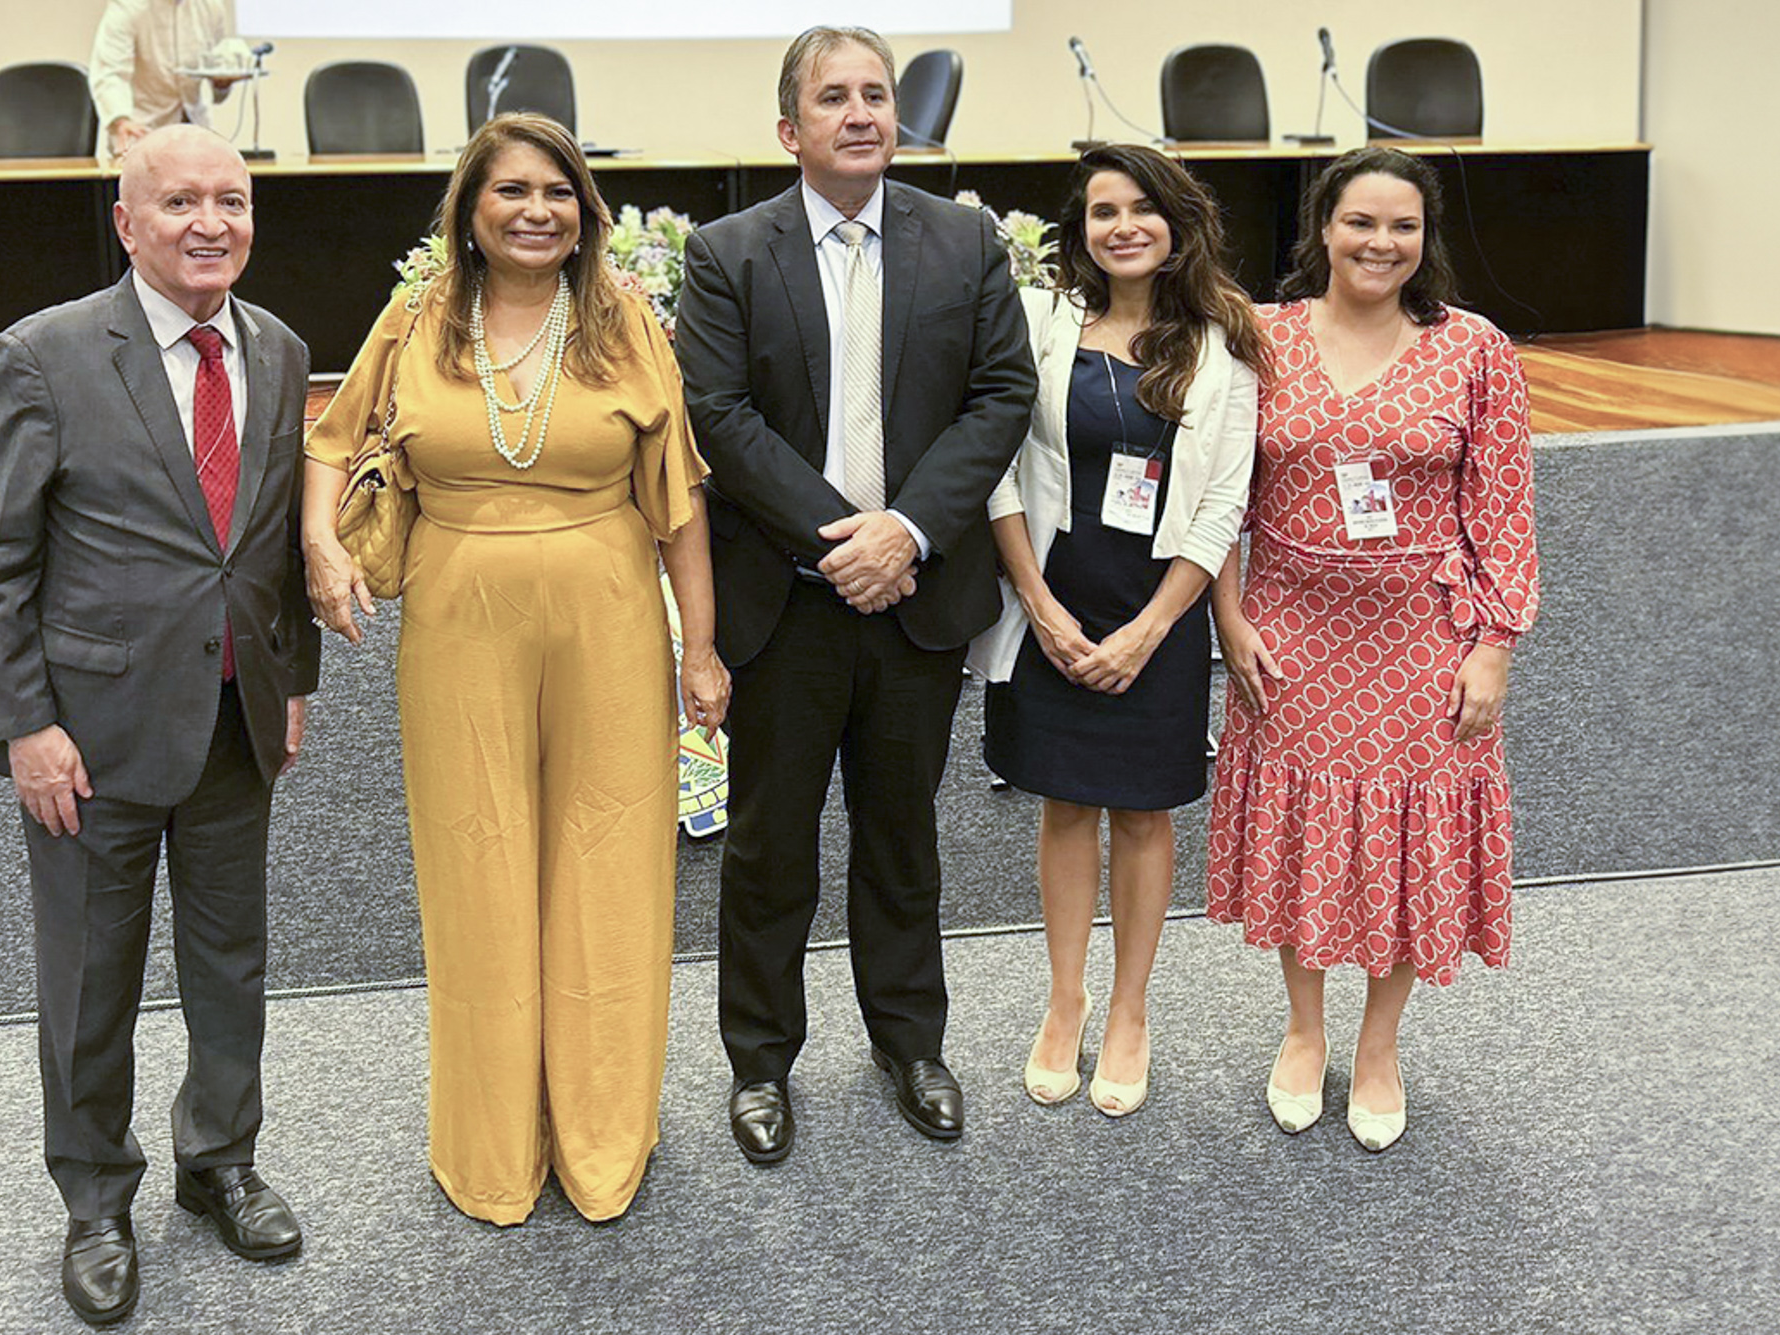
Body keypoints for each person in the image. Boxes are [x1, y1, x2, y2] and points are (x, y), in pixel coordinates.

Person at [301, 113, 726, 1225]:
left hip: (610, 619)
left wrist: (704, 648)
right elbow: (331, 442)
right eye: (511, 192)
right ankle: (492, 1141)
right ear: (470, 211)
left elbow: (677, 501)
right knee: (475, 874)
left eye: (558, 192)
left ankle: (599, 1136)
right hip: (456, 624)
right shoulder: (419, 316)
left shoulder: (625, 321)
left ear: (583, 211)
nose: (536, 210)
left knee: (610, 867)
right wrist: (316, 544)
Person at [0, 125, 316, 1324]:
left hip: (232, 718)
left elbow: (265, 546)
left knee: (232, 965)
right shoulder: (48, 354)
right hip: (89, 740)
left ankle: (220, 1161)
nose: (210, 223)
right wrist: (24, 727)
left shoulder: (276, 348)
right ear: (125, 222)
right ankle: (96, 1197)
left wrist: (292, 674)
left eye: (232, 200)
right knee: (91, 980)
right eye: (179, 203)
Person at [676, 25, 1036, 1164]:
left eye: (875, 94)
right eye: (833, 97)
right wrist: (849, 540)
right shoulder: (727, 253)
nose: (861, 113)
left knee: (901, 841)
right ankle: (759, 1064)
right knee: (768, 849)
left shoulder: (965, 241)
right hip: (785, 604)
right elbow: (719, 418)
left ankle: (909, 1045)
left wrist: (909, 532)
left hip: (917, 599)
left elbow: (999, 395)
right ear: (791, 129)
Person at [1206, 146, 1539, 1152]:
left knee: (1409, 841)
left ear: (1423, 238)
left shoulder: (1471, 349)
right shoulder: (1258, 339)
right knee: (1304, 830)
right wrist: (1226, 617)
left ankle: (1380, 1042)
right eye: (1359, 222)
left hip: (1421, 641)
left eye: (1402, 226)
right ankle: (1303, 1032)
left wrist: (1491, 648)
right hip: (1288, 633)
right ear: (1321, 228)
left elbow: (1503, 511)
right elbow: (1217, 495)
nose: (1379, 243)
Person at [968, 144, 1263, 1117]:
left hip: (1159, 610)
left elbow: (1222, 502)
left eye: (1142, 207)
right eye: (1102, 210)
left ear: (1177, 222)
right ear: (1080, 230)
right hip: (1053, 600)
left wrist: (1149, 630)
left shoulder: (1222, 341)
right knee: (1062, 805)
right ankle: (1065, 1002)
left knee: (1141, 813)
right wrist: (1040, 610)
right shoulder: (1043, 322)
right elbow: (999, 470)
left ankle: (1129, 1010)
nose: (1122, 226)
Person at [89, 0, 247, 157]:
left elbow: (217, 67)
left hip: (196, 130)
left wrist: (222, 84)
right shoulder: (128, 6)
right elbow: (110, 72)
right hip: (142, 130)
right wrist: (120, 120)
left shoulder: (211, 6)